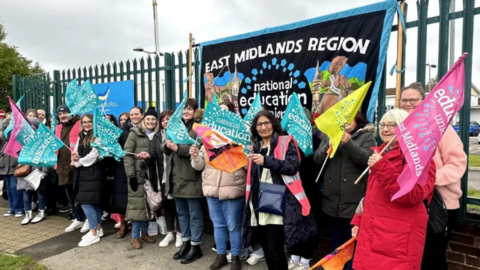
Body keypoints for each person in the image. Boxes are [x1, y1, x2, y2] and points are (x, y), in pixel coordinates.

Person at [350, 109, 436, 270]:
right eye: (382, 124)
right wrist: (359, 220)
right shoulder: (380, 152)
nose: (385, 128)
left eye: (392, 124)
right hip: (373, 233)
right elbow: (371, 196)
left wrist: (381, 167)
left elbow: (413, 195)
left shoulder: (419, 159)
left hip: (397, 240)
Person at [399, 83, 468, 270]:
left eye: (413, 99)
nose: (408, 103)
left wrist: (429, 179)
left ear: (424, 102)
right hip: (412, 202)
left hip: (439, 203)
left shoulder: (441, 128)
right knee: (415, 256)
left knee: (433, 256)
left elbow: (457, 163)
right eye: (404, 100)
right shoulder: (402, 130)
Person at [243, 110, 317, 270]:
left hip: (276, 202)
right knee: (266, 248)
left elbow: (292, 166)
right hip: (257, 202)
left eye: (266, 123)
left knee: (275, 250)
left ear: (273, 124)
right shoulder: (255, 146)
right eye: (259, 124)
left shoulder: (286, 141)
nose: (263, 127)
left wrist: (266, 160)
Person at [312, 110, 375, 270]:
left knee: (352, 246)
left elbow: (367, 160)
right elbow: (317, 159)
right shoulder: (329, 134)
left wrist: (348, 142)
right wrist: (329, 144)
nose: (346, 121)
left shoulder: (367, 136)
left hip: (353, 203)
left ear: (358, 119)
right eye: (343, 118)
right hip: (332, 202)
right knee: (337, 246)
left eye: (350, 117)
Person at [190, 101, 246, 270]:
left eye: (225, 111)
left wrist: (236, 152)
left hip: (232, 188)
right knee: (218, 225)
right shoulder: (208, 138)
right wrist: (195, 157)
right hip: (211, 189)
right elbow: (199, 166)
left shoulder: (239, 136)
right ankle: (221, 255)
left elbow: (248, 166)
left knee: (234, 226)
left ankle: (235, 257)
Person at [163, 98, 204, 264]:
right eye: (184, 109)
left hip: (191, 178)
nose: (186, 112)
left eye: (189, 109)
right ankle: (186, 243)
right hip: (176, 178)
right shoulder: (175, 126)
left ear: (195, 111)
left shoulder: (198, 128)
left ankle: (196, 246)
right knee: (182, 214)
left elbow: (199, 148)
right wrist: (168, 146)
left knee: (195, 215)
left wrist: (177, 148)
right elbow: (163, 146)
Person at [123, 107, 159, 249]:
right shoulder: (135, 134)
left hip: (152, 177)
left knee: (148, 206)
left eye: (153, 119)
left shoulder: (157, 135)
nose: (150, 122)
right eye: (148, 119)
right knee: (137, 207)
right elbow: (127, 155)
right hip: (137, 176)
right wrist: (131, 175)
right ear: (144, 120)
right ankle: (134, 237)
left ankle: (144, 233)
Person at [148, 109, 183, 248]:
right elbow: (153, 152)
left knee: (179, 205)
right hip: (163, 177)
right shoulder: (157, 136)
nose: (165, 122)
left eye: (168, 119)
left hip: (177, 176)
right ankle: (170, 232)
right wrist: (148, 156)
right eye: (163, 120)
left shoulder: (180, 134)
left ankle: (180, 233)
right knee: (168, 205)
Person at [71, 114, 106, 247]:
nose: (86, 124)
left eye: (89, 122)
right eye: (84, 122)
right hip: (83, 174)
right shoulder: (81, 136)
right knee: (93, 203)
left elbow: (95, 155)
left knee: (86, 203)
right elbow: (76, 150)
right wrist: (74, 156)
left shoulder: (99, 136)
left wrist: (79, 162)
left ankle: (93, 233)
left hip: (94, 174)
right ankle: (98, 228)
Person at [112, 106, 143, 239]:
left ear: (142, 115)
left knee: (140, 199)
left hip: (142, 167)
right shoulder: (121, 131)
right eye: (132, 114)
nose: (134, 116)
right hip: (123, 168)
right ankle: (124, 225)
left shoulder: (146, 128)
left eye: (137, 114)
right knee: (122, 198)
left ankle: (142, 229)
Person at [55, 105, 87, 233]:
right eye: (60, 114)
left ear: (72, 113)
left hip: (77, 166)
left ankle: (87, 219)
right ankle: (77, 218)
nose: (63, 115)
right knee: (71, 196)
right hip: (63, 167)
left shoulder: (80, 123)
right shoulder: (58, 127)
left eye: (65, 113)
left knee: (82, 195)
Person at [17, 118, 49, 225]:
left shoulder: (43, 141)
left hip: (37, 171)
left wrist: (44, 172)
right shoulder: (24, 140)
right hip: (25, 170)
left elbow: (47, 157)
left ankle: (41, 212)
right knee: (26, 193)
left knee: (40, 193)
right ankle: (28, 213)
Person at [0, 119, 24, 217]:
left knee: (15, 187)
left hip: (14, 166)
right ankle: (12, 207)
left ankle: (19, 208)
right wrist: (7, 119)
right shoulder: (3, 138)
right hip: (4, 165)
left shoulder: (18, 137)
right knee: (9, 188)